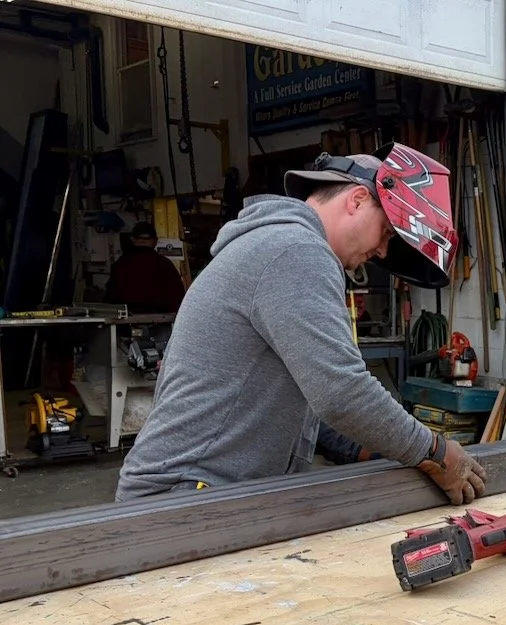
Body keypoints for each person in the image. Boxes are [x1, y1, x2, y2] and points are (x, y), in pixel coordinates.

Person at [115, 143, 485, 505]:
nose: (383, 251)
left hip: (196, 490)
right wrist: (434, 452)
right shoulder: (297, 250)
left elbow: (299, 402)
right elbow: (342, 392)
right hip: (184, 498)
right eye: (387, 231)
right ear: (357, 200)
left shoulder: (278, 244)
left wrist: (366, 448)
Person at [103, 221, 187, 314]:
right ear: (155, 241)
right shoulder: (165, 265)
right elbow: (177, 299)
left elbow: (110, 299)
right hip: (159, 319)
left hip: (126, 319)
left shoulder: (120, 265)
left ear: (132, 239)